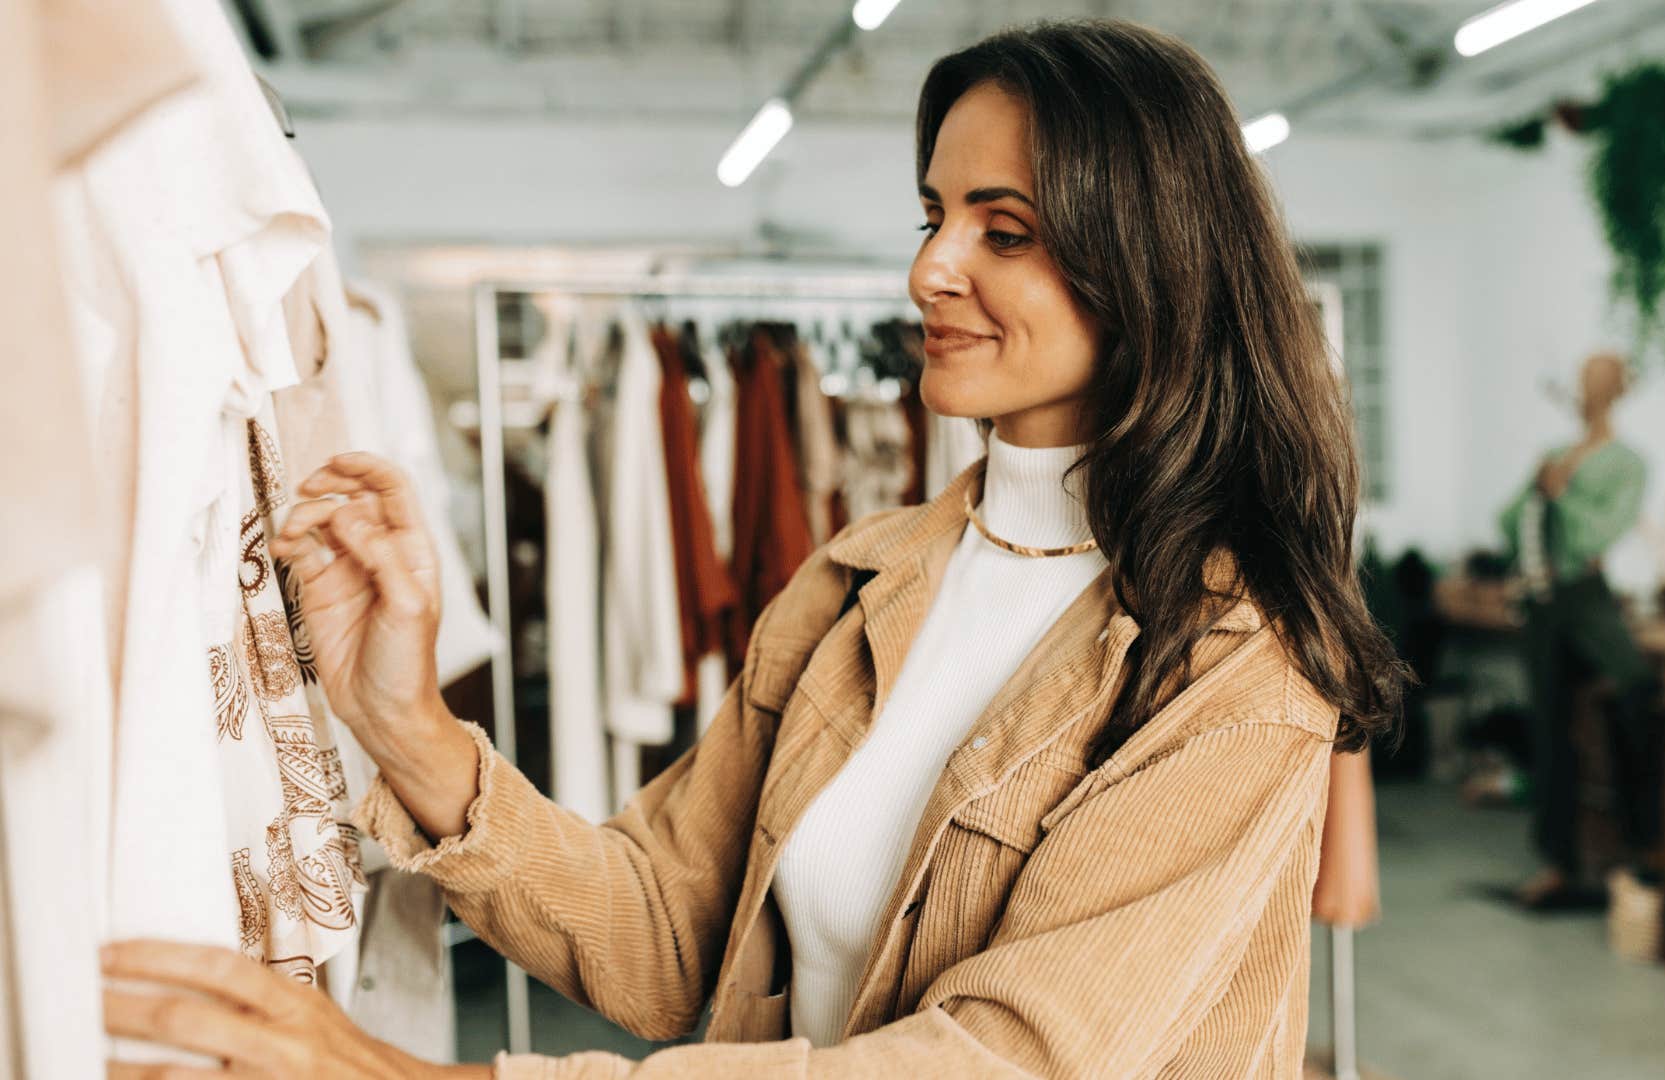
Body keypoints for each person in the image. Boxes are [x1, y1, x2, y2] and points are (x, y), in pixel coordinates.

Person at [101, 19, 1406, 1078]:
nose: (931, 271)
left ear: (1153, 263)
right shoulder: (867, 578)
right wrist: (406, 723)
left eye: (1002, 230)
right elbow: (672, 929)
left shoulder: (1236, 657)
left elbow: (1011, 1062)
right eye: (933, 216)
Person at [1497, 351, 1660, 910]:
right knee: (1550, 728)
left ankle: (1641, 844)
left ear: (1617, 388)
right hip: (1544, 602)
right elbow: (1507, 521)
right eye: (1582, 377)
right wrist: (1540, 488)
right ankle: (1557, 862)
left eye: (1597, 378)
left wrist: (1565, 494)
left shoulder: (1629, 463)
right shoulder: (1554, 455)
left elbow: (1598, 535)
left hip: (1587, 595)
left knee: (1637, 686)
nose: (1585, 386)